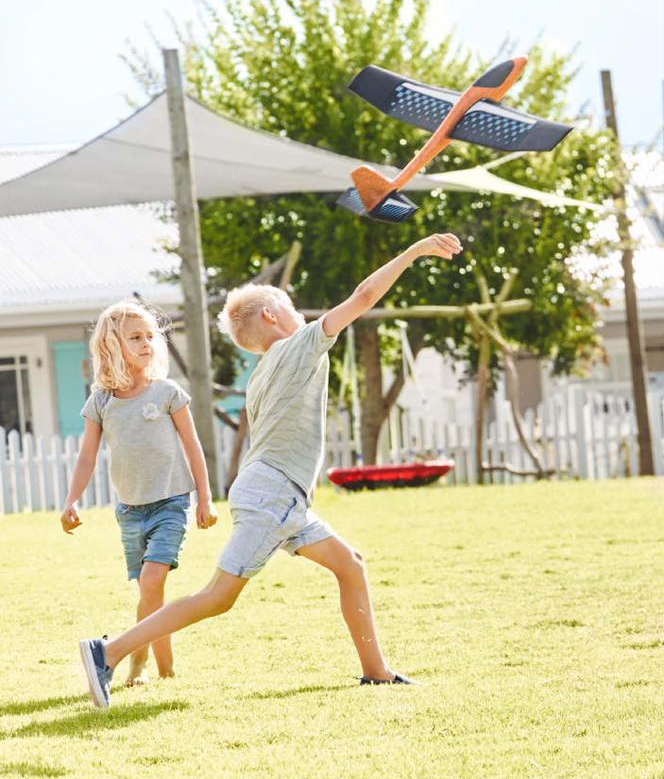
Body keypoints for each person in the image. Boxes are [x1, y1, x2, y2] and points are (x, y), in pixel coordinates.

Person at [79, 233, 462, 708]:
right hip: (272, 495)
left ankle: (377, 673)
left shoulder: (264, 374)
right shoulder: (299, 346)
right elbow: (363, 298)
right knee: (218, 596)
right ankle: (108, 652)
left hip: (278, 496)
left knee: (350, 565)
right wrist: (413, 251)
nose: (302, 314)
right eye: (292, 306)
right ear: (271, 316)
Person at [62, 300, 216, 686]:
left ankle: (132, 663)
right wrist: (71, 500)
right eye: (135, 337)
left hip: (171, 503)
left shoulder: (166, 392)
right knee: (152, 594)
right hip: (130, 511)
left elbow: (193, 445)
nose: (147, 343)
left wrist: (205, 497)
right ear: (112, 345)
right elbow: (87, 457)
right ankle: (162, 671)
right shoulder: (101, 402)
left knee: (151, 583)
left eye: (151, 336)